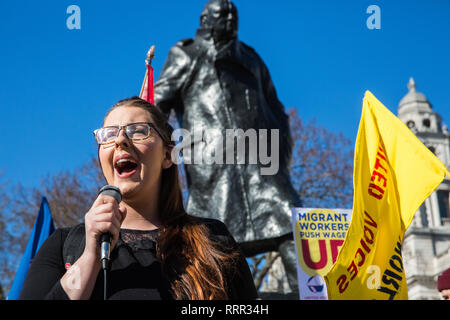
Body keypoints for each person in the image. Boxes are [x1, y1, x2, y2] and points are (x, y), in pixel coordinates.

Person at [19, 97, 258, 300]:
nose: (121, 140)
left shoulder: (213, 237)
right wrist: (91, 254)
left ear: (168, 155)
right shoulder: (63, 245)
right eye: (109, 134)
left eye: (138, 131)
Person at [155, 0, 301, 292]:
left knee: (294, 225)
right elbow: (159, 104)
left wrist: (281, 152)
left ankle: (310, 295)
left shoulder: (251, 58)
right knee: (217, 244)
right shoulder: (186, 53)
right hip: (214, 170)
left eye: (233, 15)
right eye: (222, 16)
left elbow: (275, 106)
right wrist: (158, 153)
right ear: (205, 19)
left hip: (263, 164)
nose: (230, 20)